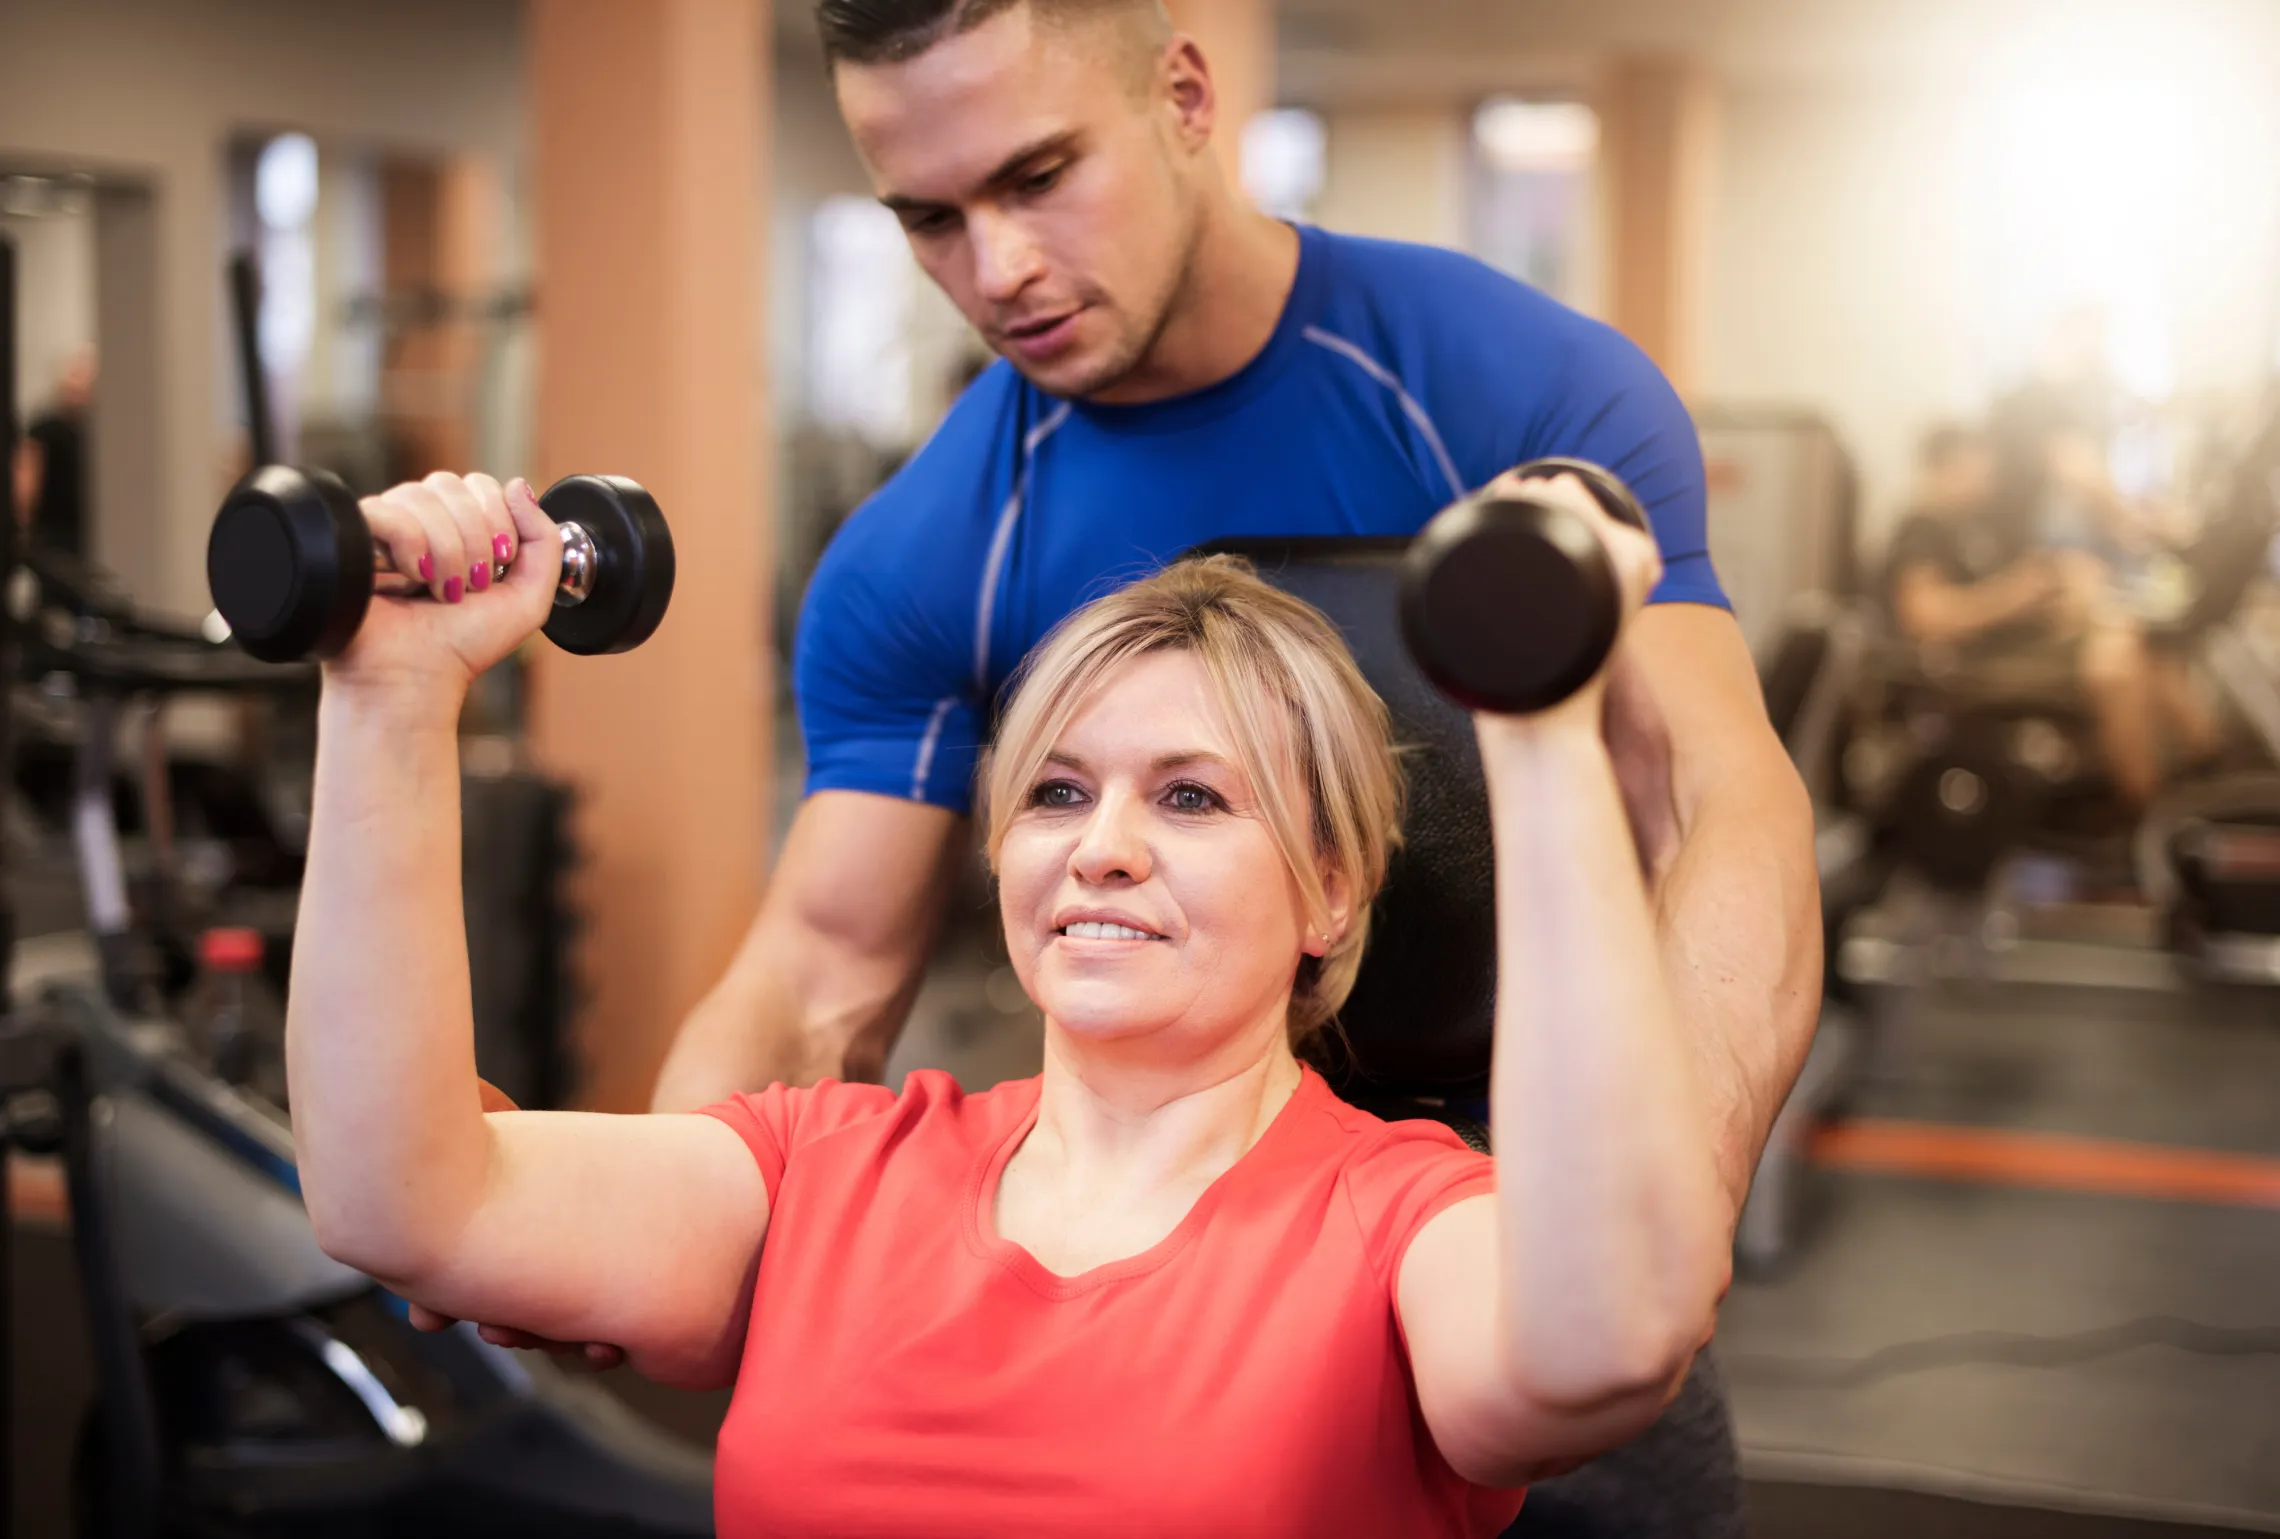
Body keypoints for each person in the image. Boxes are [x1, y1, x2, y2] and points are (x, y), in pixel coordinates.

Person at [446, 4, 1820, 1532]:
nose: (997, 267)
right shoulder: (930, 546)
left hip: (1511, 1210)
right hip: (1160, 1245)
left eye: (1039, 177)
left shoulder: (1506, 388)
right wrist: (639, 1210)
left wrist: (1673, 1201)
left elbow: (1714, 802)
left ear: (1183, 96)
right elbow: (822, 964)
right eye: (931, 218)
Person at [289, 468, 1731, 1538]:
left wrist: (1539, 725)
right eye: (1056, 789)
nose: (1100, 841)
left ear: (1331, 888)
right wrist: (390, 701)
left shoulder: (1403, 1223)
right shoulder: (822, 1171)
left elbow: (1601, 1339)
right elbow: (403, 1197)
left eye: (1190, 794)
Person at [1886, 423, 2220, 812]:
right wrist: (2018, 591)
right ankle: (2146, 809)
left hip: (2018, 651)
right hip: (1975, 667)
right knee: (2115, 668)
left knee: (2150, 651)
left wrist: (2052, 588)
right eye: (1978, 470)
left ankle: (2208, 774)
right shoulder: (1919, 531)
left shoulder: (1968, 529)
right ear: (1946, 467)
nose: (1987, 482)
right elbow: (1925, 616)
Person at [11, 344, 95, 560]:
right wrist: (23, 526)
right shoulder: (45, 428)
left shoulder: (93, 431)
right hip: (53, 535)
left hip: (85, 532)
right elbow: (27, 480)